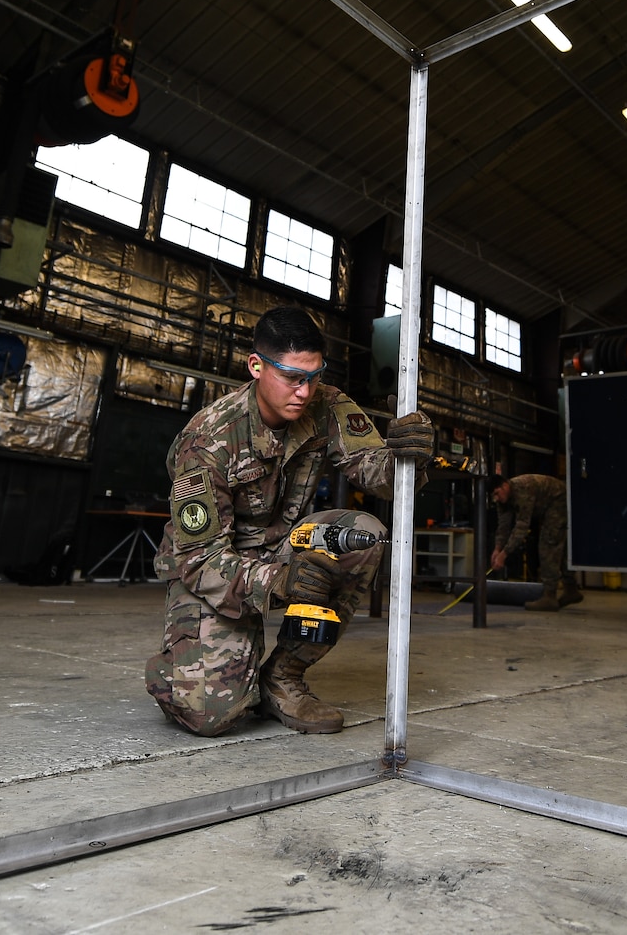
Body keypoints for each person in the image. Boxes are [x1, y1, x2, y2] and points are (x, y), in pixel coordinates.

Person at [145, 306, 435, 736]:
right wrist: (280, 582)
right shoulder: (208, 440)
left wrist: (408, 455)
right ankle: (180, 671)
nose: (304, 390)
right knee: (212, 715)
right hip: (215, 568)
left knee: (364, 538)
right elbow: (199, 558)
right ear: (256, 366)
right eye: (292, 377)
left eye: (314, 376)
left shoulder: (326, 403)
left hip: (285, 546)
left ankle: (283, 677)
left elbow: (376, 474)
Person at [490, 473, 582, 612]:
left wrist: (504, 555)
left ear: (505, 485)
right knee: (559, 546)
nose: (497, 498)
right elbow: (503, 526)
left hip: (558, 500)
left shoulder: (523, 489)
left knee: (548, 545)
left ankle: (549, 596)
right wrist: (497, 549)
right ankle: (571, 590)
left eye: (497, 493)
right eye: (494, 496)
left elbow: (521, 527)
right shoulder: (503, 499)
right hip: (546, 506)